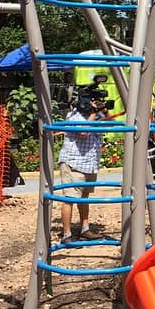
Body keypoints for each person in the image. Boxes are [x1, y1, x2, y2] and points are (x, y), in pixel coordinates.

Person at [57, 94, 105, 244]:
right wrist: (93, 114)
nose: (93, 103)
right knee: (69, 198)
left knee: (84, 197)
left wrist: (105, 111)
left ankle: (85, 228)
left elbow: (111, 124)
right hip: (74, 163)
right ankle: (67, 234)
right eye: (91, 100)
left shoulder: (97, 115)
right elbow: (83, 132)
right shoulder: (73, 116)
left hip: (89, 163)